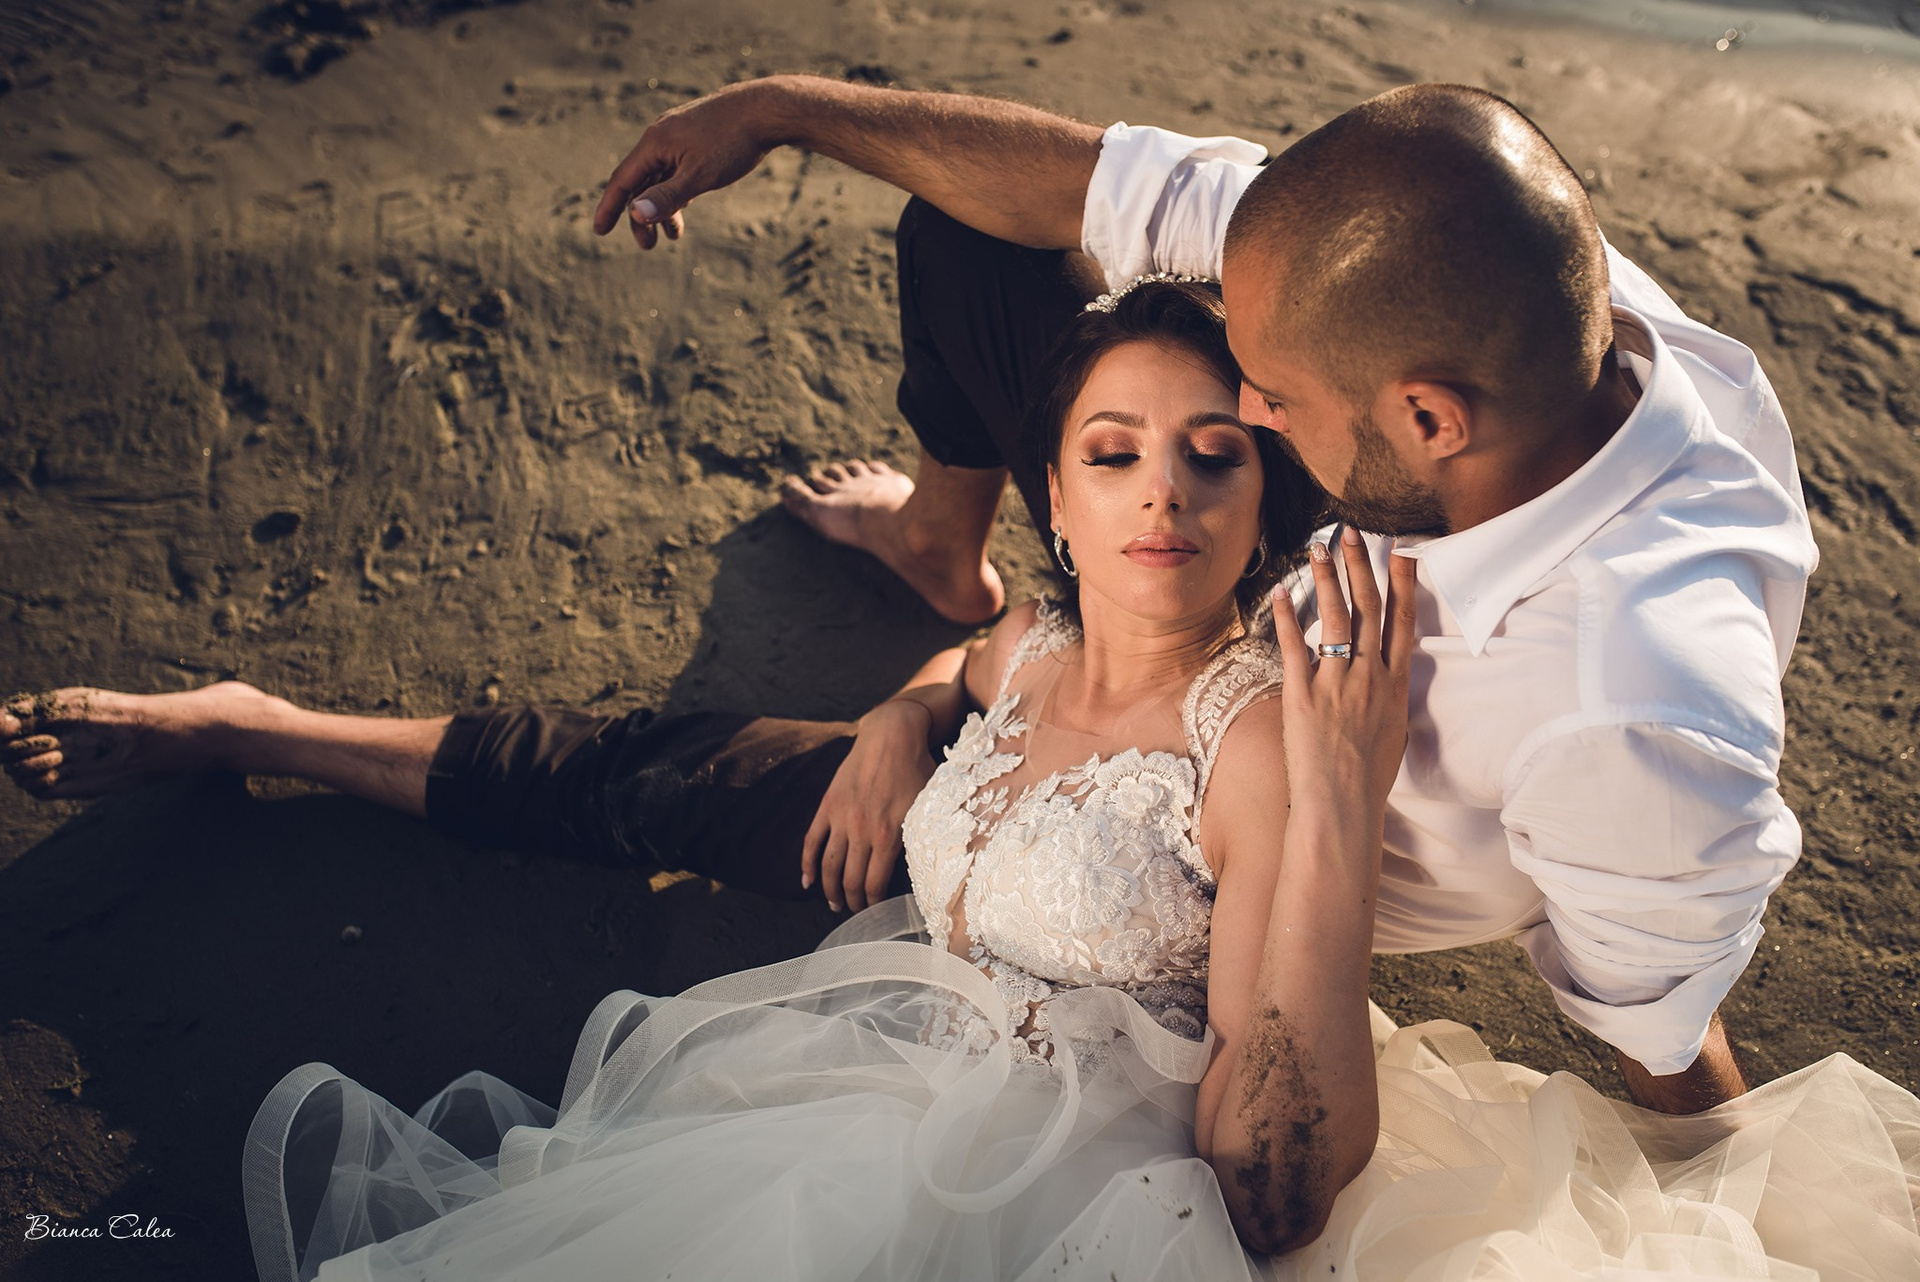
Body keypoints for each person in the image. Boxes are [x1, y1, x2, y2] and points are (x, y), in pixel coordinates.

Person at [8, 290, 1917, 1280]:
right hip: (896, 982)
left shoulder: (1260, 737)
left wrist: (1338, 795)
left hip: (1079, 1183)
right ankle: (252, 722)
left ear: (1266, 488)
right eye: (1112, 452)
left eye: (1214, 455)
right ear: (1055, 495)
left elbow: (1275, 1194)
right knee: (642, 769)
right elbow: (984, 654)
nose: (1163, 494)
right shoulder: (1033, 648)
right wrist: (894, 717)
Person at [593, 79, 1821, 1118]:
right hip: (1190, 569)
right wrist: (784, 111)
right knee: (972, 235)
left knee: (698, 789)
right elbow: (1101, 186)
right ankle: (933, 542)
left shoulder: (1628, 709)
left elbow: (1663, 1033)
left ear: (1429, 416)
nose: (1251, 405)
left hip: (1227, 824)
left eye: (1274, 396)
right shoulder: (1502, 276)